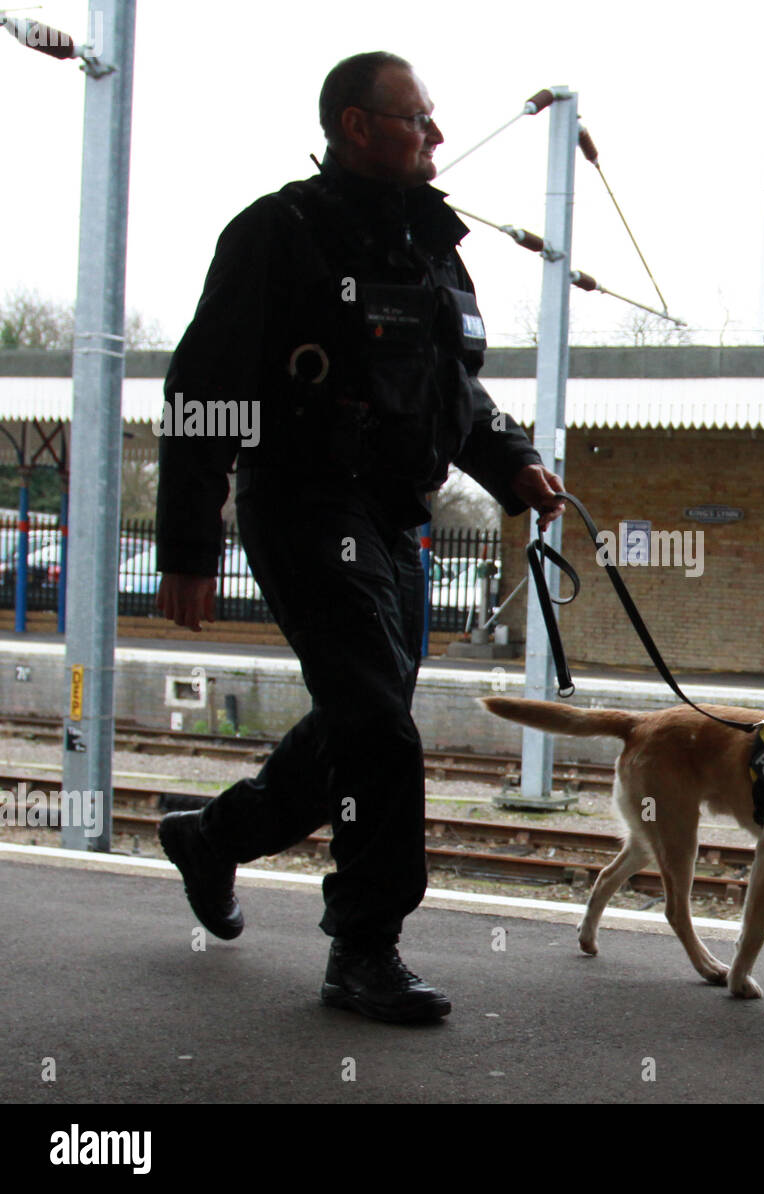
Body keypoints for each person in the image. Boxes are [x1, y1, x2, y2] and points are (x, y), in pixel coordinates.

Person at [154, 51, 565, 1024]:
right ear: (354, 126)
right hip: (302, 501)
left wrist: (509, 462)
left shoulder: (432, 248)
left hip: (392, 519)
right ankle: (364, 951)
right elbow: (203, 387)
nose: (433, 135)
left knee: (360, 719)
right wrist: (186, 542)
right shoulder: (281, 233)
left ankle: (214, 837)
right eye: (415, 120)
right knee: (379, 725)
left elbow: (450, 393)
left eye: (431, 120)